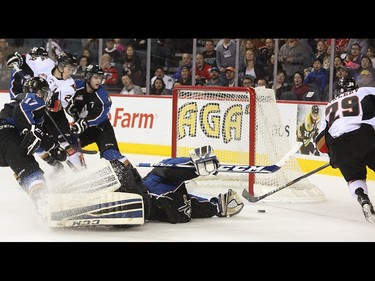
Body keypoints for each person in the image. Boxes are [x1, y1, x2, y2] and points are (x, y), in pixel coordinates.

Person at [0, 77, 66, 217]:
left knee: (24, 170)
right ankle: (43, 202)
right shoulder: (32, 99)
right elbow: (20, 112)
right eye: (44, 92)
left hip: (6, 144)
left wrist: (53, 148)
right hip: (6, 135)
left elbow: (37, 138)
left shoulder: (30, 112)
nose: (45, 96)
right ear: (36, 91)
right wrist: (31, 128)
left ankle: (38, 197)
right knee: (31, 170)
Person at [315, 76, 375, 223]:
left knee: (355, 178)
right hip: (364, 136)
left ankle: (363, 199)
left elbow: (320, 142)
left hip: (338, 145)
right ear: (354, 86)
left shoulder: (329, 106)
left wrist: (333, 156)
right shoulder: (364, 91)